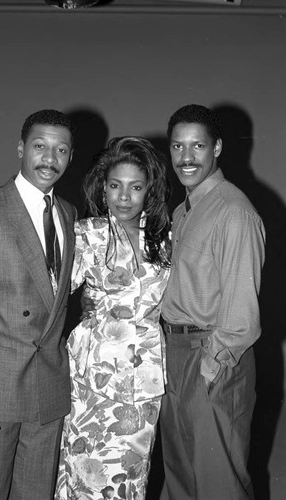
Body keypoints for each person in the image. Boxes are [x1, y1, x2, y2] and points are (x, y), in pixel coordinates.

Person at [0, 109, 77, 500]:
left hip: (49, 390)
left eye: (60, 150)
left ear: (70, 157)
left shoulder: (69, 214)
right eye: (40, 146)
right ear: (21, 148)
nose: (49, 158)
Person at [54, 136, 172, 500]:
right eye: (115, 186)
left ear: (148, 190)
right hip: (94, 374)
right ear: (102, 189)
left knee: (133, 473)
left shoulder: (165, 239)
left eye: (135, 187)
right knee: (84, 469)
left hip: (145, 373)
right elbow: (51, 291)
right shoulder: (86, 234)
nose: (124, 196)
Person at [159, 104, 266, 500]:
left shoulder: (234, 212)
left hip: (214, 356)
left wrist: (211, 363)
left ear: (217, 148)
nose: (186, 157)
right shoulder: (182, 211)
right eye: (177, 146)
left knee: (218, 480)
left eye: (197, 145)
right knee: (181, 474)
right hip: (176, 352)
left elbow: (242, 314)